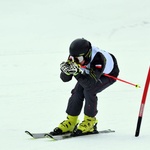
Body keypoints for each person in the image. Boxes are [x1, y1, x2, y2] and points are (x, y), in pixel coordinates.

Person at [51, 38, 120, 136]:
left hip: (108, 74)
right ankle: (71, 121)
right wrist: (65, 71)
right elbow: (65, 79)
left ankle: (90, 122)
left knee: (89, 91)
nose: (75, 61)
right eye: (72, 58)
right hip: (91, 73)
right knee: (77, 91)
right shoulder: (75, 56)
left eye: (78, 59)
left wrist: (76, 73)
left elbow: (90, 84)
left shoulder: (98, 59)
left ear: (87, 55)